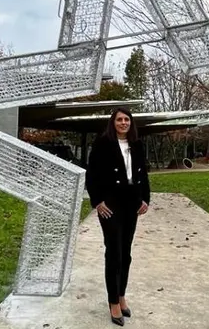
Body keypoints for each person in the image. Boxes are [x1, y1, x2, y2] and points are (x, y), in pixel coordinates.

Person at [85, 107, 151, 326]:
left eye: (127, 120)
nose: (123, 123)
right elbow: (91, 174)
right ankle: (113, 301)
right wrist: (97, 201)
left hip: (131, 201)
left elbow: (143, 172)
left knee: (127, 252)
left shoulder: (137, 144)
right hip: (111, 203)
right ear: (113, 123)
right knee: (114, 252)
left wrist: (145, 199)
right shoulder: (103, 143)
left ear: (131, 123)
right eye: (119, 119)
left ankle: (121, 295)